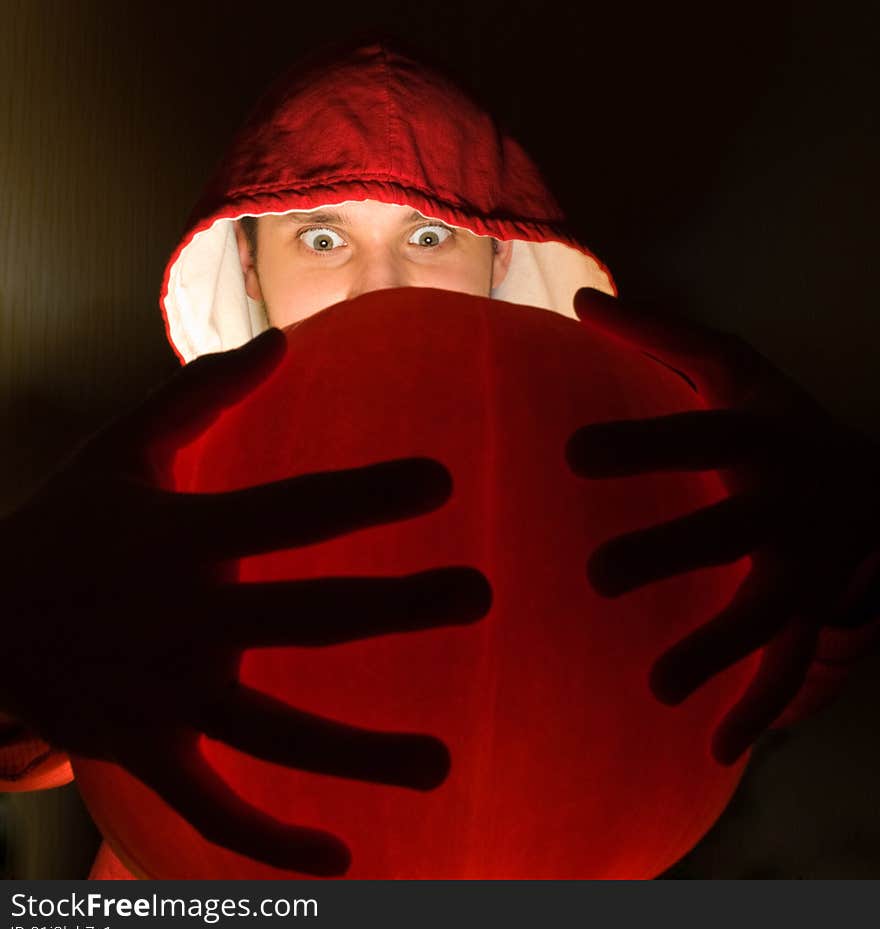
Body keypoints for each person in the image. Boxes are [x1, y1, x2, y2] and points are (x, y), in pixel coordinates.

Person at [1, 39, 878, 880]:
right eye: (321, 239)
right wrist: (19, 652)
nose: (382, 288)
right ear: (249, 264)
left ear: (499, 259)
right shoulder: (149, 504)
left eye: (428, 238)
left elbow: (764, 686)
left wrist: (854, 550)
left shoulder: (612, 478)